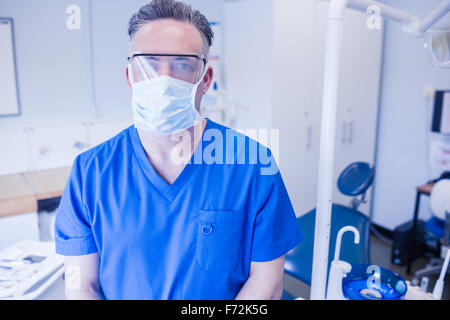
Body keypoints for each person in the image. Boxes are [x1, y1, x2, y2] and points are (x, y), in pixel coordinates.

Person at [54, 0, 302, 300]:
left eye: (183, 65)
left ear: (206, 79)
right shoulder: (89, 173)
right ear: (131, 77)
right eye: (149, 64)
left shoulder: (252, 166)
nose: (164, 79)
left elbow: (267, 284)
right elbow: (81, 286)